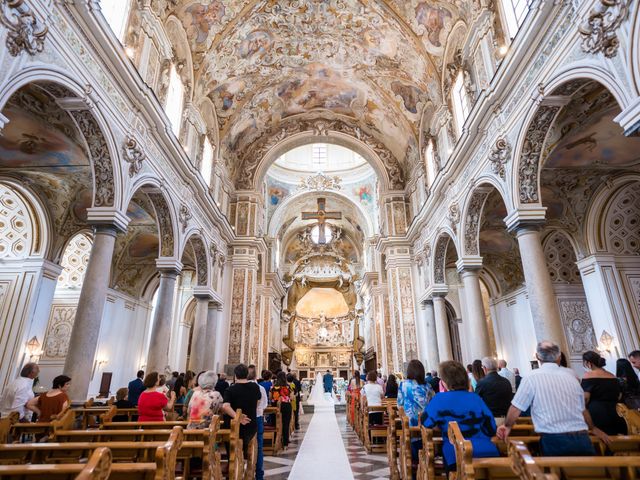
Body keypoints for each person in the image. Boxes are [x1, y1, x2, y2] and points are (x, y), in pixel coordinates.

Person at [497, 341, 609, 456]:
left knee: (555, 473)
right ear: (559, 356)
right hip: (581, 437)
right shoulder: (571, 375)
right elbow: (582, 408)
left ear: (537, 357)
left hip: (554, 438)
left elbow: (516, 407)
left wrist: (507, 426)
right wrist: (593, 428)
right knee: (587, 473)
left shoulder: (531, 377)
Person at [423, 361, 499, 473]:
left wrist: (441, 427)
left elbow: (426, 422)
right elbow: (491, 428)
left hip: (456, 453)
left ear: (444, 382)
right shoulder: (475, 398)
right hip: (486, 451)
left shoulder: (439, 399)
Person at [398, 360, 433, 468]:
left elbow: (400, 404)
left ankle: (413, 463)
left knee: (411, 436)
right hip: (425, 423)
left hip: (410, 422)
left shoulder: (403, 385)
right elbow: (432, 403)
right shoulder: (428, 386)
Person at [581, 351, 626, 435]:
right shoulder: (612, 375)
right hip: (616, 412)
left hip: (597, 414)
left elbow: (585, 399)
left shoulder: (588, 375)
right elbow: (619, 395)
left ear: (588, 363)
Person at [222, 364, 260, 456]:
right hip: (250, 423)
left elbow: (226, 406)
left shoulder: (230, 389)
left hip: (234, 425)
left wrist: (237, 417)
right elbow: (258, 401)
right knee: (247, 450)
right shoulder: (255, 387)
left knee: (233, 452)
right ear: (247, 374)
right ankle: (245, 465)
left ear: (235, 375)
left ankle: (233, 466)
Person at [248, 365, 268, 480]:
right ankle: (259, 475)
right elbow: (265, 404)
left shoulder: (236, 387)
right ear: (256, 375)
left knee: (242, 445)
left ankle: (241, 471)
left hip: (243, 420)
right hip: (258, 418)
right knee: (259, 447)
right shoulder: (260, 388)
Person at [270, 371, 292, 447]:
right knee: (286, 423)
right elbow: (291, 397)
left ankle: (276, 439)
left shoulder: (273, 387)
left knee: (275, 422)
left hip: (275, 406)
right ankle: (285, 441)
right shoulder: (287, 387)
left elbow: (270, 397)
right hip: (286, 405)